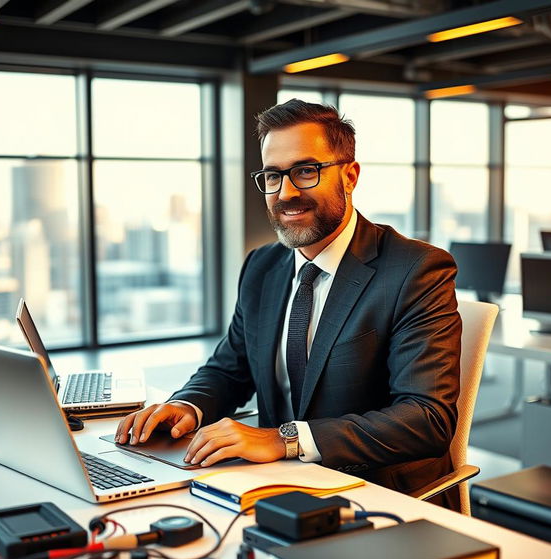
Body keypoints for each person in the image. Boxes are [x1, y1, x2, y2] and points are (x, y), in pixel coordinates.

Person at [116, 99, 462, 510]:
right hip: (274, 487)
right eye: (273, 176)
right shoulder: (263, 265)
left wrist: (285, 439)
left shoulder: (415, 269)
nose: (287, 193)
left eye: (305, 171)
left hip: (377, 497)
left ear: (349, 176)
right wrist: (186, 406)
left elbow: (426, 418)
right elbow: (231, 367)